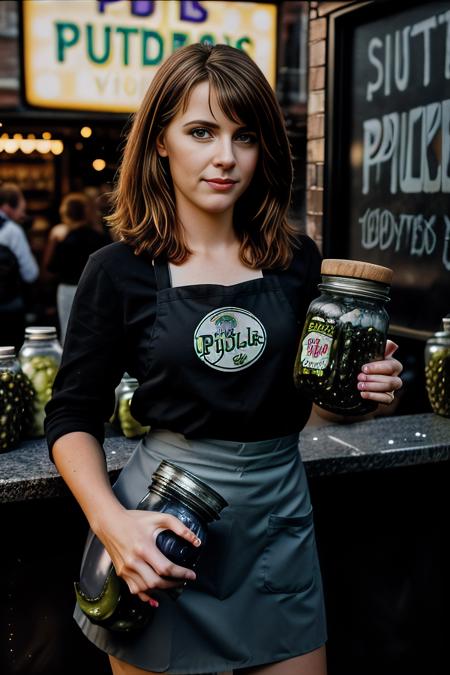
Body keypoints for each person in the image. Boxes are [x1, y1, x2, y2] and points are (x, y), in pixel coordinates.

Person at [44, 43, 403, 675]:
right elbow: (71, 415)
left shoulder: (297, 261)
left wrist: (367, 392)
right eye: (202, 132)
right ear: (160, 140)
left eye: (244, 136)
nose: (225, 158)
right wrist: (113, 525)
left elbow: (319, 404)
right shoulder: (118, 270)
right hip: (162, 523)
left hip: (277, 521)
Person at [42, 192, 110, 344]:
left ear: (66, 213)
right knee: (94, 331)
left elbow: (50, 268)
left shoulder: (65, 238)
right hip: (95, 289)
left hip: (68, 288)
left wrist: (53, 241)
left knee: (67, 331)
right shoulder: (99, 236)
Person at [0, 183, 39, 350]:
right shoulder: (12, 230)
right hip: (8, 305)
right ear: (8, 207)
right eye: (21, 210)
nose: (23, 215)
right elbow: (30, 273)